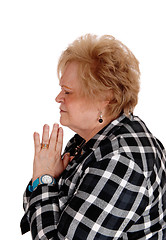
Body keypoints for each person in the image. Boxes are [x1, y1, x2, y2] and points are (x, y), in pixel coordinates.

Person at [20, 34, 166, 239]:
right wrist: (45, 181)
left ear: (104, 97)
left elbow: (44, 210)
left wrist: (44, 179)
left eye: (67, 92)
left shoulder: (122, 161)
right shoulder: (87, 140)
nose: (58, 98)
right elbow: (36, 208)